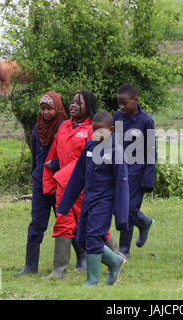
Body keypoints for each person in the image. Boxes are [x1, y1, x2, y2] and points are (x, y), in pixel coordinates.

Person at [57, 112, 129, 287]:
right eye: (93, 130)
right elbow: (77, 176)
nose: (96, 134)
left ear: (111, 130)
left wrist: (121, 217)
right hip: (88, 199)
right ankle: (115, 261)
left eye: (100, 130)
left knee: (93, 237)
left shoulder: (116, 151)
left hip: (104, 202)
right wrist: (65, 204)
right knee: (81, 238)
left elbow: (122, 185)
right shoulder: (89, 146)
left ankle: (92, 281)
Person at [42, 91, 100, 279]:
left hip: (83, 186)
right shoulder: (64, 126)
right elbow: (53, 157)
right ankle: (59, 271)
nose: (73, 105)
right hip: (63, 185)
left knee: (93, 226)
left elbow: (90, 160)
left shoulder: (93, 129)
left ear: (88, 107)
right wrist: (50, 182)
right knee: (63, 223)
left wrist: (65, 175)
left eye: (79, 103)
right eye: (72, 102)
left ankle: (117, 258)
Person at [16, 91, 68, 274]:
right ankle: (30, 266)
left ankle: (82, 260)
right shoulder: (38, 128)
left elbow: (68, 156)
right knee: (37, 222)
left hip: (59, 182)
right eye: (43, 108)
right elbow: (36, 157)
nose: (45, 112)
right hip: (40, 182)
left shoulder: (64, 127)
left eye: (49, 108)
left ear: (58, 108)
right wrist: (36, 177)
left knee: (65, 222)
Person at [113, 84, 156, 259]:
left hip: (138, 171)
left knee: (128, 208)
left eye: (125, 104)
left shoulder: (146, 121)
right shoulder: (117, 117)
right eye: (119, 104)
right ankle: (144, 222)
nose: (121, 107)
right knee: (119, 207)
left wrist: (148, 178)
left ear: (136, 101)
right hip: (120, 170)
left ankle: (124, 249)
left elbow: (151, 150)